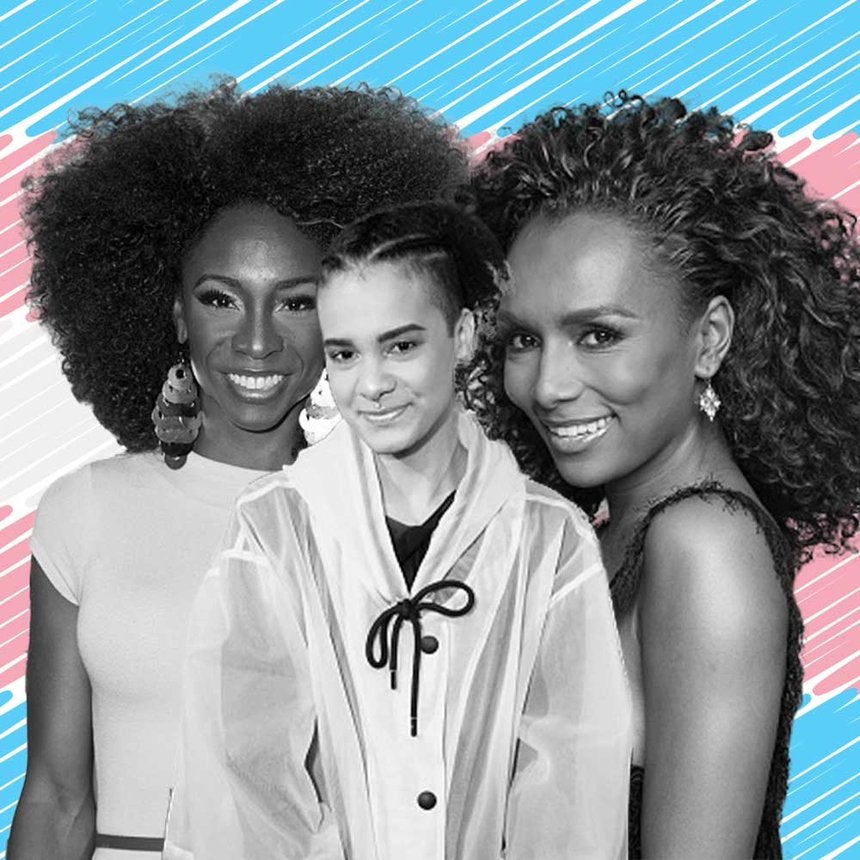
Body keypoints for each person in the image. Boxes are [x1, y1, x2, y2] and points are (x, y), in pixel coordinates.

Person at [9, 83, 466, 860]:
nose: (256, 342)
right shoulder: (84, 510)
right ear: (176, 312)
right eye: (222, 299)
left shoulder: (394, 522)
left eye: (296, 303)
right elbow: (57, 797)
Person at [163, 201, 632, 859]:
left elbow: (571, 798)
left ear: (462, 336)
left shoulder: (549, 541)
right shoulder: (275, 527)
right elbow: (240, 784)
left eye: (402, 345)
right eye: (344, 354)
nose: (373, 385)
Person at [464, 93, 860, 858]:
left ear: (709, 339)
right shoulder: (622, 526)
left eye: (598, 335)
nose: (548, 386)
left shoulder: (705, 543)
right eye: (522, 340)